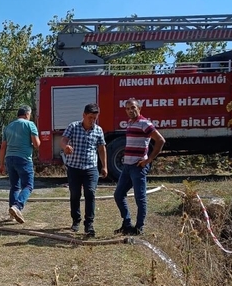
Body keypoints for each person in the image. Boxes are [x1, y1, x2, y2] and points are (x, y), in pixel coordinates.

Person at [113, 98, 165, 235]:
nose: (131, 110)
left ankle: (139, 228)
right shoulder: (130, 123)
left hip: (138, 167)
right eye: (128, 108)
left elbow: (160, 140)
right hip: (127, 166)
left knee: (139, 198)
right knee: (118, 195)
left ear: (139, 109)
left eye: (133, 108)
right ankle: (127, 224)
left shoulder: (144, 123)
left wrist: (148, 160)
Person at [60, 103, 108, 237]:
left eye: (95, 118)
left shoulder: (98, 130)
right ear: (84, 115)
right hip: (74, 167)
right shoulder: (73, 126)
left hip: (90, 168)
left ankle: (89, 224)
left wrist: (104, 166)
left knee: (90, 193)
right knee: (75, 194)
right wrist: (66, 147)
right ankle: (76, 220)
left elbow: (101, 148)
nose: (92, 120)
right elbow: (63, 140)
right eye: (90, 117)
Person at [0, 105, 40, 223]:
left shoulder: (8, 127)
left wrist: (1, 164)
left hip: (9, 159)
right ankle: (17, 206)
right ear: (27, 114)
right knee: (28, 185)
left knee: (15, 186)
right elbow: (36, 144)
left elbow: (2, 147)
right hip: (23, 159)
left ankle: (12, 213)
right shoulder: (30, 124)